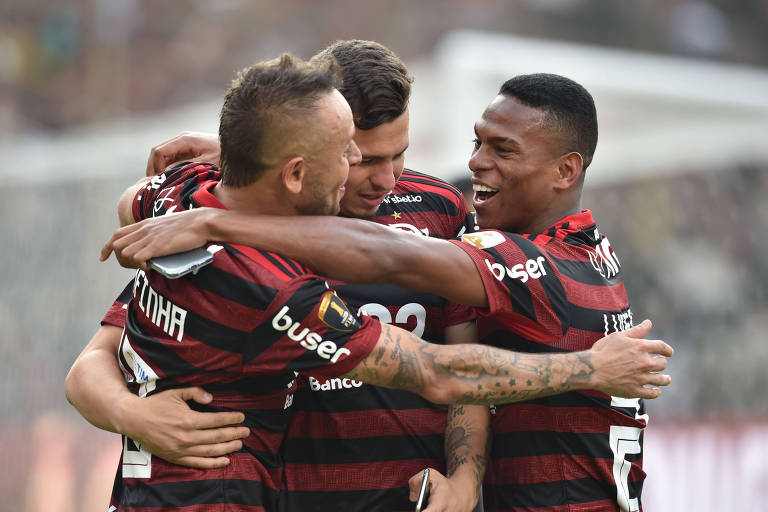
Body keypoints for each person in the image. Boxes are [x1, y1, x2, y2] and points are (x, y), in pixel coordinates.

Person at [71, 55, 671, 512]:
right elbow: (90, 364)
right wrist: (132, 412)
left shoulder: (181, 205)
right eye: (355, 158)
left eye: (400, 156)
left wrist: (463, 482)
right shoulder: (251, 262)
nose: (384, 179)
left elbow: (434, 325)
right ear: (301, 163)